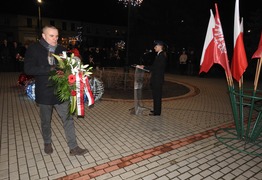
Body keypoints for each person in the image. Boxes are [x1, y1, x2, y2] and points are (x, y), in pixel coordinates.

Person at [24, 25, 88, 156]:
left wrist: (74, 65)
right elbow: (28, 69)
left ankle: (73, 147)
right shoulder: (34, 49)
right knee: (46, 121)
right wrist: (49, 69)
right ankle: (47, 142)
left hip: (60, 91)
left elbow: (66, 68)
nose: (55, 39)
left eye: (57, 36)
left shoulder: (61, 49)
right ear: (43, 36)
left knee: (68, 118)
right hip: (44, 92)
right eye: (51, 36)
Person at [136, 40, 167, 116]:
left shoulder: (162, 56)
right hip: (156, 79)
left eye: (155, 46)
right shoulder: (159, 55)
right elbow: (155, 67)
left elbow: (155, 67)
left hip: (157, 80)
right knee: (156, 96)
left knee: (157, 96)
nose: (154, 48)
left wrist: (144, 67)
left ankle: (157, 112)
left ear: (160, 46)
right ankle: (156, 110)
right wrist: (145, 67)